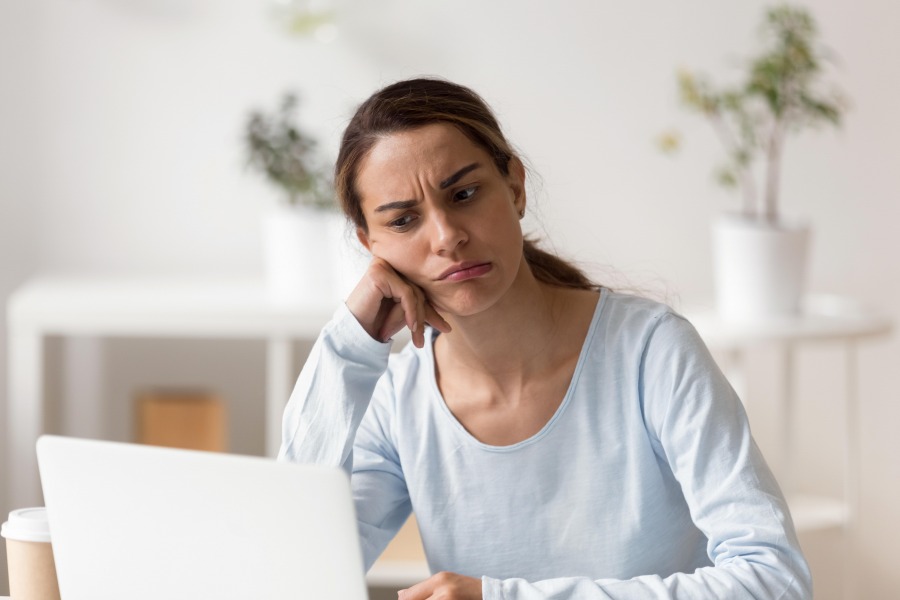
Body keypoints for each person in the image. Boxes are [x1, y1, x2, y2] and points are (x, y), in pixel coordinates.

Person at [278, 77, 812, 600]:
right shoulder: (399, 401)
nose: (446, 237)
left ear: (514, 185)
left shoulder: (651, 351)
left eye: (464, 194)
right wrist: (348, 346)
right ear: (370, 242)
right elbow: (289, 575)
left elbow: (774, 581)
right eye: (403, 220)